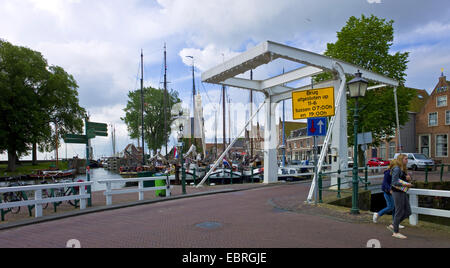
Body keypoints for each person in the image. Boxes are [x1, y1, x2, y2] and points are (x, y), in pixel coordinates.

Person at [389, 154, 413, 239]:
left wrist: (408, 179)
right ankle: (396, 232)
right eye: (405, 159)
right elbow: (394, 182)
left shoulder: (402, 169)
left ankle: (394, 224)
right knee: (399, 211)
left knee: (408, 211)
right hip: (397, 192)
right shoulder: (397, 168)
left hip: (402, 192)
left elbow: (404, 179)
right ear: (401, 159)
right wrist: (406, 184)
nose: (407, 160)